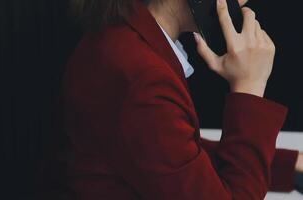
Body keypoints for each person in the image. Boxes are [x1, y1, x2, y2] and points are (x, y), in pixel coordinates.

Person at [60, 0, 303, 199]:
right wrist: (250, 85)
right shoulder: (141, 78)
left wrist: (291, 165)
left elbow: (177, 154)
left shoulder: (125, 39)